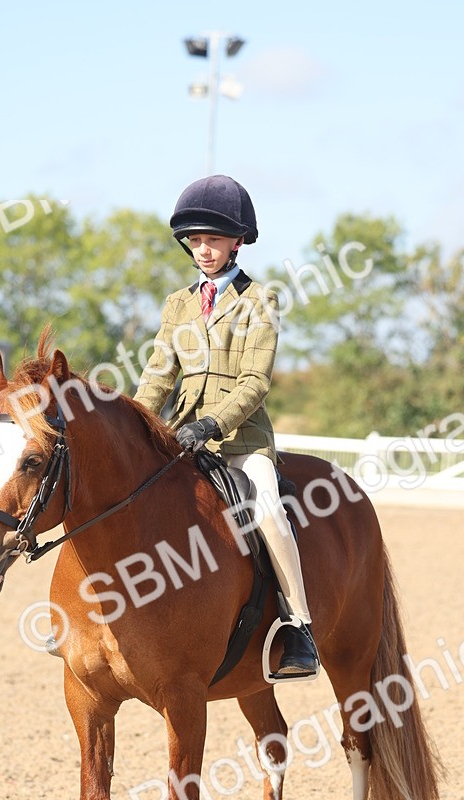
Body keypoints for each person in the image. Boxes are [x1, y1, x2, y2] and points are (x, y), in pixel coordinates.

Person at [134, 174, 319, 679]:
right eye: (195, 241)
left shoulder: (260, 301)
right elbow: (158, 374)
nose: (204, 250)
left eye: (213, 240)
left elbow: (256, 382)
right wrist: (136, 425)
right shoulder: (178, 305)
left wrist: (212, 423)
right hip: (180, 435)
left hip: (241, 439)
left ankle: (299, 627)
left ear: (237, 241)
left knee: (266, 511)